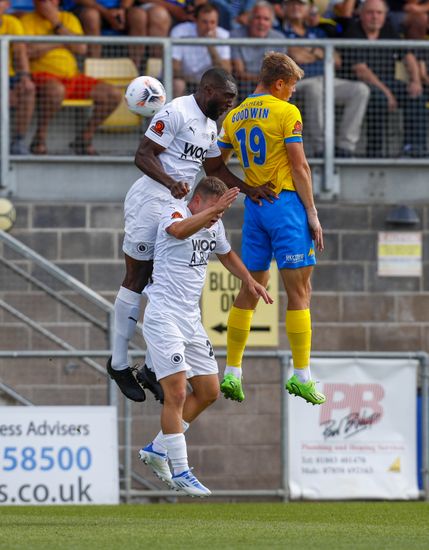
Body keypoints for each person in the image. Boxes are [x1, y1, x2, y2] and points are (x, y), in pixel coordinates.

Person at [107, 67, 277, 403]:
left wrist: (249, 189)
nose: (230, 105)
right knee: (137, 277)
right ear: (209, 91)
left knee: (165, 280)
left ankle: (152, 369)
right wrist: (171, 183)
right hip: (150, 200)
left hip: (176, 204)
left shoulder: (210, 126)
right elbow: (143, 155)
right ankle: (119, 363)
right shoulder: (176, 111)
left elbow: (214, 170)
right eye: (227, 98)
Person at [138, 177, 272, 496]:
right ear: (196, 201)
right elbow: (180, 231)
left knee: (209, 391)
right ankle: (181, 470)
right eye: (214, 210)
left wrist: (250, 282)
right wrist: (213, 212)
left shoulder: (214, 223)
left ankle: (157, 449)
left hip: (191, 320)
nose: (217, 218)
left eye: (221, 214)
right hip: (164, 317)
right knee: (177, 394)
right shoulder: (174, 212)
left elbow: (226, 254)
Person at [217, 51, 326, 406]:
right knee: (300, 291)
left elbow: (214, 165)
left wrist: (246, 188)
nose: (293, 93)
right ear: (279, 83)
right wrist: (312, 213)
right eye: (291, 87)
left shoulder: (234, 117)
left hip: (256, 208)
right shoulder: (285, 112)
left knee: (252, 285)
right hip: (285, 206)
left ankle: (232, 371)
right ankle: (301, 375)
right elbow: (300, 166)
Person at [21, 0, 122, 155]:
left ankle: (84, 138)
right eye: (43, 0)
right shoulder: (27, 20)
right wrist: (62, 41)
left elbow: (81, 48)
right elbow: (28, 51)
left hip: (72, 77)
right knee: (56, 89)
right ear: (36, 3)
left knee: (113, 94)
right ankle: (40, 137)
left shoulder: (68, 18)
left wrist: (56, 24)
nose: (49, 3)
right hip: (42, 78)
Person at [279, 0, 370, 157]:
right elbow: (295, 56)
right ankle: (321, 148)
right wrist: (319, 52)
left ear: (309, 9)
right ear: (284, 8)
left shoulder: (318, 32)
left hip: (327, 80)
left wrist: (310, 51)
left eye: (301, 4)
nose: (296, 7)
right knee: (315, 88)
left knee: (360, 90)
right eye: (292, 3)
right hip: (298, 83)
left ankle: (345, 147)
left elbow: (336, 60)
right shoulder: (280, 32)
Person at [343, 0, 427, 157]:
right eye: (370, 13)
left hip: (387, 82)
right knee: (379, 99)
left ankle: (413, 147)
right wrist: (387, 94)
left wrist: (415, 81)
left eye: (379, 13)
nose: (375, 17)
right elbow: (361, 71)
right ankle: (375, 152)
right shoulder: (353, 31)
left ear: (385, 16)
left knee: (416, 94)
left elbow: (408, 56)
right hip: (361, 84)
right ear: (360, 14)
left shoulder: (388, 29)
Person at [61, 0, 171, 70]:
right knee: (91, 16)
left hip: (118, 10)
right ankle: (94, 69)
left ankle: (135, 70)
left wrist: (122, 9)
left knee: (138, 15)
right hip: (89, 8)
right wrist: (105, 12)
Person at [170, 3, 231, 97]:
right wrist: (192, 79)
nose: (209, 27)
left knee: (227, 87)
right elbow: (174, 67)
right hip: (185, 80)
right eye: (204, 22)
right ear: (196, 20)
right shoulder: (180, 32)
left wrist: (211, 47)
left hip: (210, 84)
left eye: (212, 22)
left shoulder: (223, 36)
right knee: (178, 84)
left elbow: (226, 71)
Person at [231, 1, 287, 100]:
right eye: (258, 18)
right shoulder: (236, 36)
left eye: (266, 19)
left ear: (271, 23)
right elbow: (239, 72)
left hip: (271, 88)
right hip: (242, 87)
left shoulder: (279, 38)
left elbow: (280, 72)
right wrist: (265, 80)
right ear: (250, 20)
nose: (261, 22)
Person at [0, 0, 36, 155]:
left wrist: (25, 77)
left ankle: (18, 141)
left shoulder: (12, 23)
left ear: (7, 5)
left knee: (28, 89)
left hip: (7, 77)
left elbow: (20, 54)